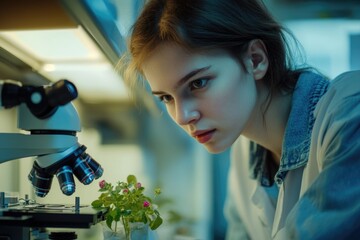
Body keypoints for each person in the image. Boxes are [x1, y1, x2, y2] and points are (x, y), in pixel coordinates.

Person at [118, 0, 360, 239]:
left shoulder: (350, 113)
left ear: (255, 59)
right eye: (166, 98)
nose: (182, 116)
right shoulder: (245, 150)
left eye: (198, 83)